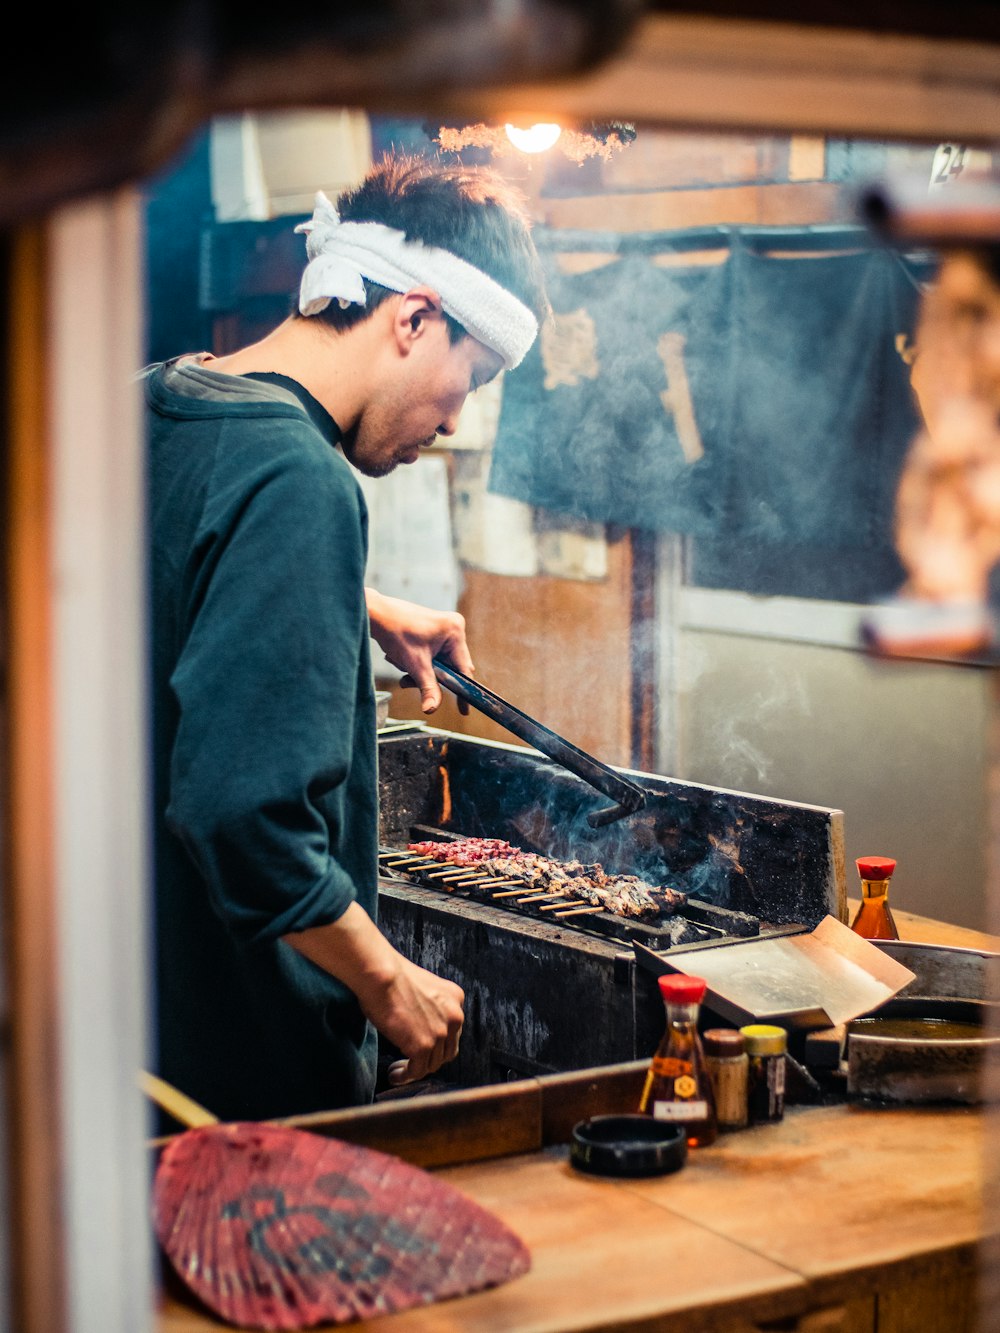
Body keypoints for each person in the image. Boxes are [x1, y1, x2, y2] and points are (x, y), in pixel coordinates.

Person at [144, 153, 549, 1123]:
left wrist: (350, 599)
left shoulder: (160, 399)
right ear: (412, 317)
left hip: (121, 1030)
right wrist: (387, 985)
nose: (455, 422)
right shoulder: (299, 480)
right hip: (233, 1077)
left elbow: (162, 551)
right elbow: (241, 815)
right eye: (471, 377)